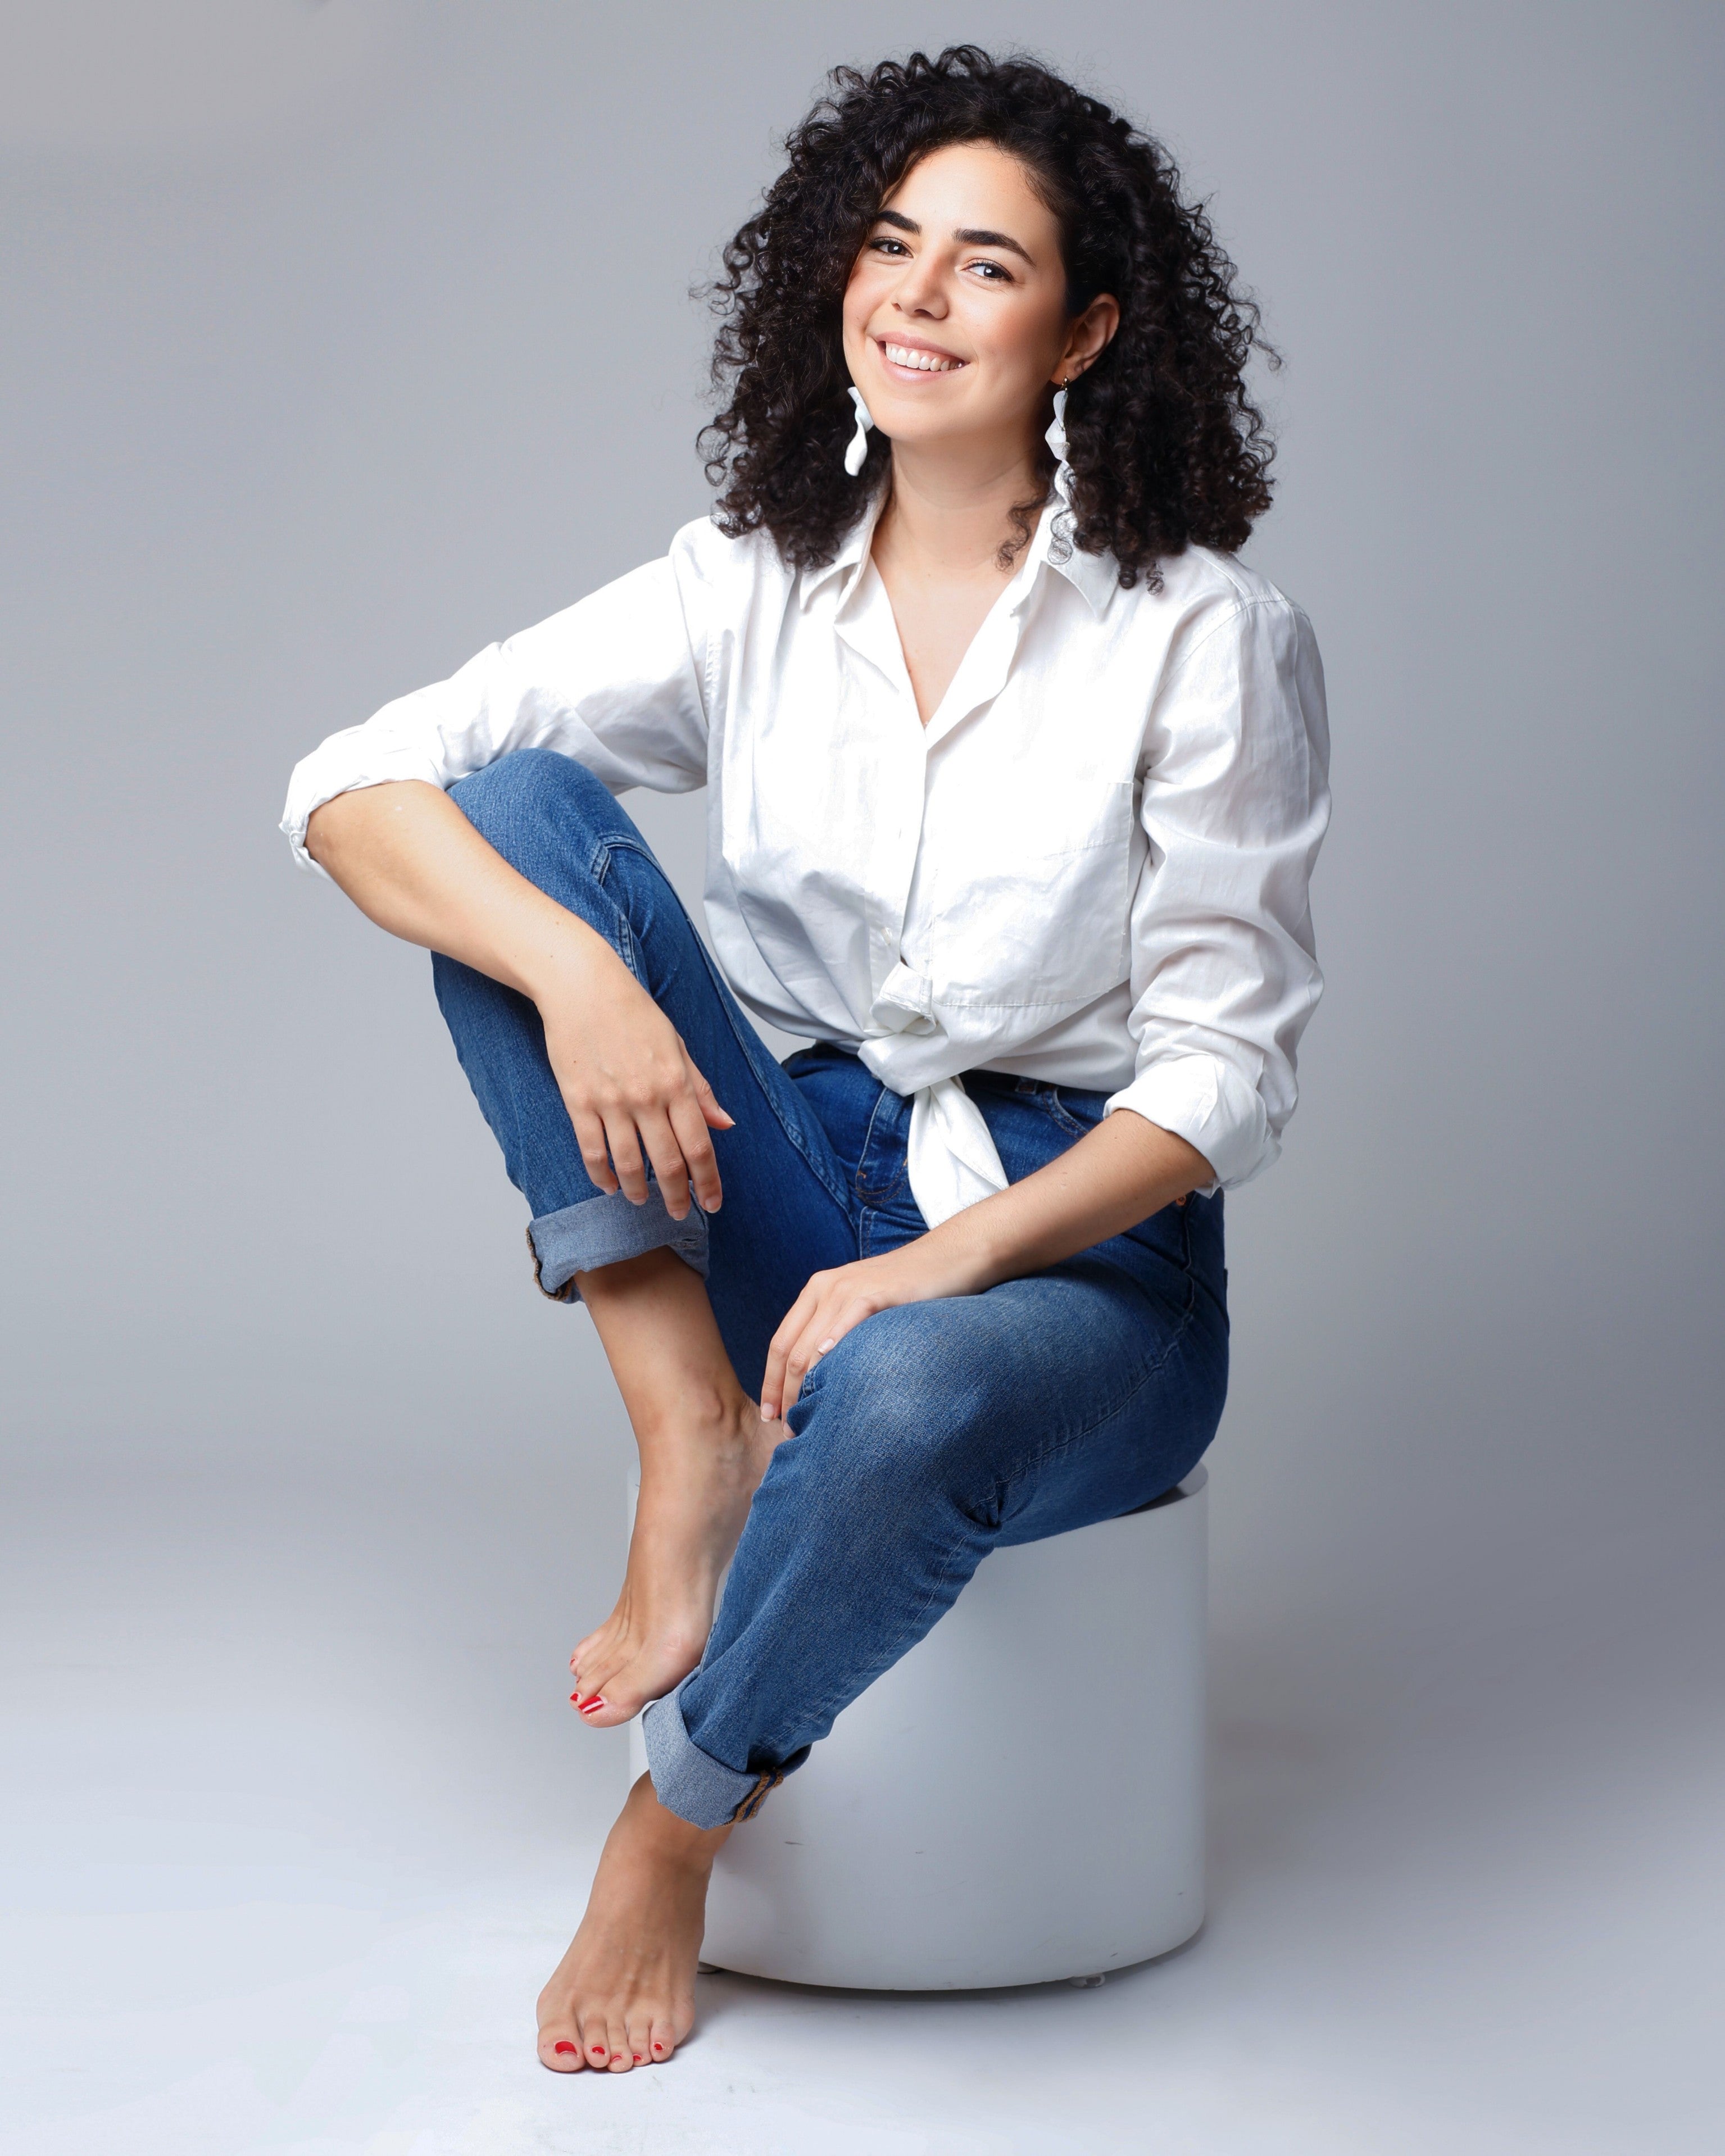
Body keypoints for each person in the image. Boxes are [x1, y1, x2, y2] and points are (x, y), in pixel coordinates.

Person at [280, 46, 1328, 2074]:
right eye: (890, 245)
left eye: (989, 265)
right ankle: (688, 1430)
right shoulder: (743, 582)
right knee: (499, 817)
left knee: (917, 1381)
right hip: (786, 1173)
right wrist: (585, 980)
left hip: (1068, 1270)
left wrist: (932, 1267)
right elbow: (350, 782)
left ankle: (678, 1822)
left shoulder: (1205, 634)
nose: (920, 297)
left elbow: (1227, 1082)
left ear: (1086, 331)